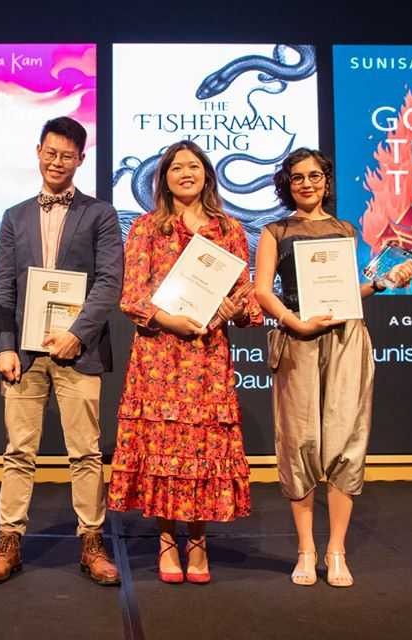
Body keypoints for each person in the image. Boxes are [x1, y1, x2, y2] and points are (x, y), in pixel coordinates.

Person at [253, 148, 412, 588]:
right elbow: (263, 291)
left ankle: (336, 550)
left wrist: (383, 282)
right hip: (298, 339)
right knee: (301, 442)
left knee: (345, 440)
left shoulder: (344, 229)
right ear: (286, 183)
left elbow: (345, 290)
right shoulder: (275, 230)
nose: (306, 183)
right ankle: (306, 548)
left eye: (315, 175)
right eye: (297, 177)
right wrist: (294, 323)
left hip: (346, 341)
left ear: (326, 179)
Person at [0, 116, 124, 586]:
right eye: (50, 152)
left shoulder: (100, 214)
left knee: (85, 452)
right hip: (23, 354)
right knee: (18, 451)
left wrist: (76, 334)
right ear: (37, 151)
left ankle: (91, 543)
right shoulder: (15, 216)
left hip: (77, 353)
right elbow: (2, 284)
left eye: (67, 155)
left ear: (81, 159)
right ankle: (8, 542)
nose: (57, 161)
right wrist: (4, 344)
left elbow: (109, 283)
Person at [108, 140, 261, 584]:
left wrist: (236, 308)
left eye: (194, 166)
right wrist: (170, 320)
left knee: (201, 449)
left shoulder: (229, 229)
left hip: (207, 358)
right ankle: (166, 541)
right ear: (164, 178)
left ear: (207, 175)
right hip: (159, 355)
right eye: (176, 168)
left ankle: (197, 540)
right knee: (162, 450)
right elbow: (131, 296)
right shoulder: (144, 229)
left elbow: (246, 299)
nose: (185, 173)